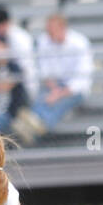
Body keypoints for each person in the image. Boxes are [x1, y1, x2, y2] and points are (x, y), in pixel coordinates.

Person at [12, 12, 92, 146]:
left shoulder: (80, 43)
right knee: (43, 98)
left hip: (73, 89)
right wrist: (54, 90)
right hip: (52, 85)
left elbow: (82, 80)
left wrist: (59, 94)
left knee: (57, 104)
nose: (49, 33)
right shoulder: (44, 40)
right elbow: (45, 70)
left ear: (62, 28)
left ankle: (35, 125)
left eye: (52, 30)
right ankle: (35, 124)